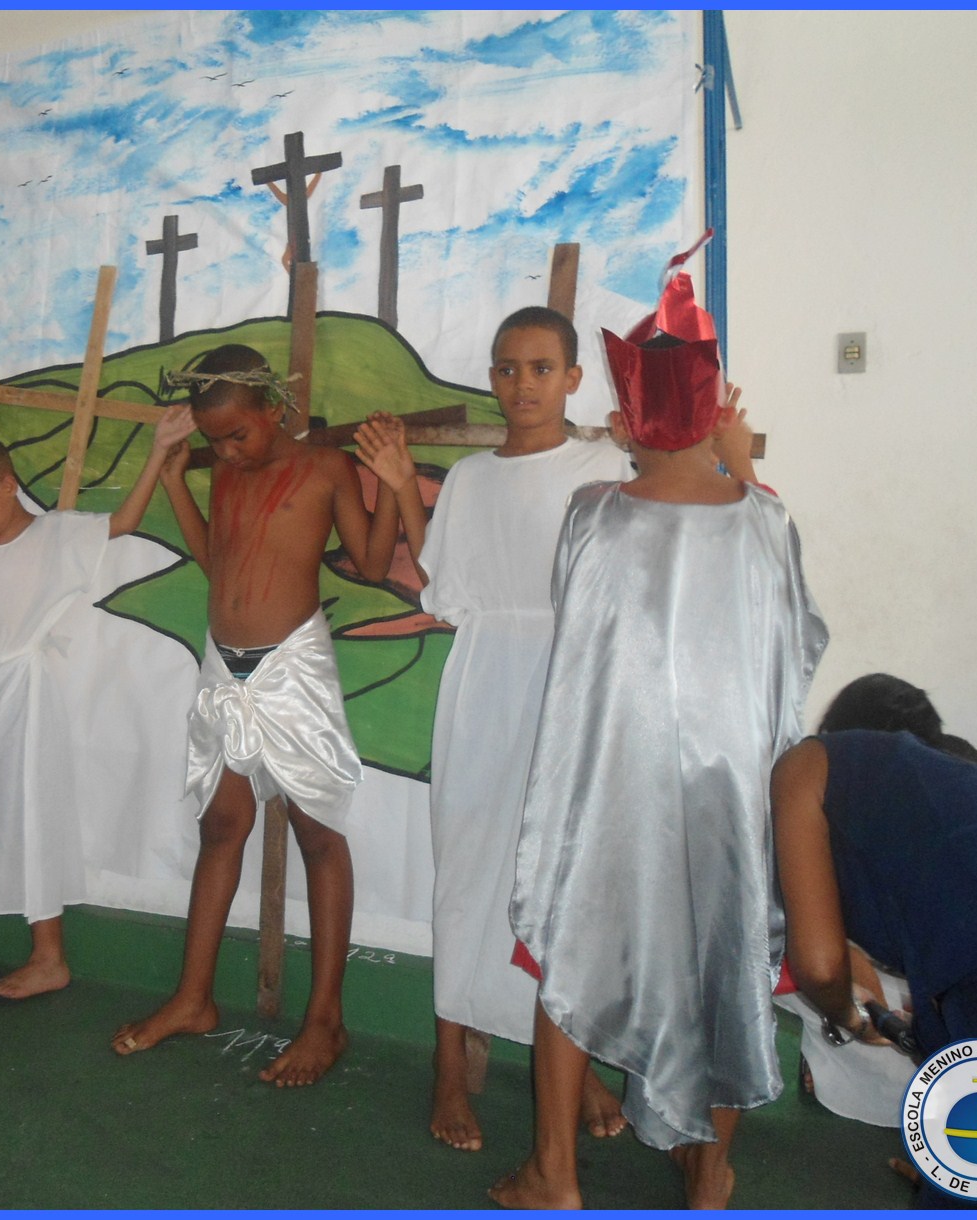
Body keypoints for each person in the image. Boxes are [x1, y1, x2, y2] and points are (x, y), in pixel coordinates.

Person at [494, 234, 829, 1208]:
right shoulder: (764, 521)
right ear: (717, 408)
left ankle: (553, 1171)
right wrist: (739, 470)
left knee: (575, 943)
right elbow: (799, 641)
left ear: (630, 410)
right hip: (731, 792)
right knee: (730, 955)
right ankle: (709, 1167)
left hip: (614, 787)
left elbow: (578, 626)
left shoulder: (595, 515)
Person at [356, 306, 633, 1152]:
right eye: (507, 368)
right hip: (484, 687)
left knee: (562, 880)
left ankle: (570, 1060)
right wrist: (400, 484)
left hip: (574, 685)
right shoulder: (473, 478)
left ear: (573, 378)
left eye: (542, 368)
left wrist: (647, 445)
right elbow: (445, 588)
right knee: (470, 869)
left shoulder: (606, 465)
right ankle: (450, 1064)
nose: (522, 384)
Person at [109, 343, 402, 1086]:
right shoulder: (226, 472)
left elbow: (372, 564)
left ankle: (326, 1019)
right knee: (220, 826)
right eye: (216, 441)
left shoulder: (325, 468)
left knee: (318, 835)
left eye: (237, 434)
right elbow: (218, 561)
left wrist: (395, 486)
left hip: (292, 667)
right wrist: (175, 481)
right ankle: (193, 998)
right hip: (224, 666)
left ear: (273, 409)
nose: (228, 452)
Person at [0, 370, 195, 999]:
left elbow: (123, 521)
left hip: (20, 699)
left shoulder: (56, 535)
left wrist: (159, 450)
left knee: (29, 818)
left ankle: (48, 957)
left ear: (8, 484)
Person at [772, 675, 977, 1209]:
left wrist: (850, 1019)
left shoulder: (806, 763)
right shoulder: (970, 787)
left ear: (834, 730)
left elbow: (819, 966)